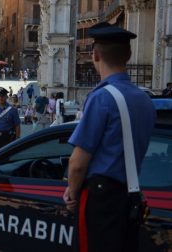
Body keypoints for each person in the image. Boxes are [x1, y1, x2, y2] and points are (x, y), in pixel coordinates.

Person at [63, 22, 156, 252]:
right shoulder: (145, 100)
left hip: (101, 198)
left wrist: (72, 192)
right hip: (130, 196)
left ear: (95, 55)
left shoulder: (101, 98)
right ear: (129, 55)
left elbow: (77, 163)